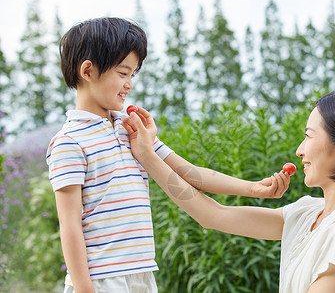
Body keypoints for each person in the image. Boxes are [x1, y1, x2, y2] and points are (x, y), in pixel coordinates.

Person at [46, 17, 289, 293]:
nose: (130, 84)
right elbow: (69, 225)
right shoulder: (69, 143)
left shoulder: (132, 130)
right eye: (123, 73)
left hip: (141, 274)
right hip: (102, 280)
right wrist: (85, 289)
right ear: (88, 70)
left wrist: (254, 188)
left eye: (133, 74)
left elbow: (189, 173)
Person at [122, 89, 335, 293]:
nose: (300, 150)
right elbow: (211, 215)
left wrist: (149, 155)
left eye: (309, 136)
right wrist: (151, 152)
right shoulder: (308, 213)